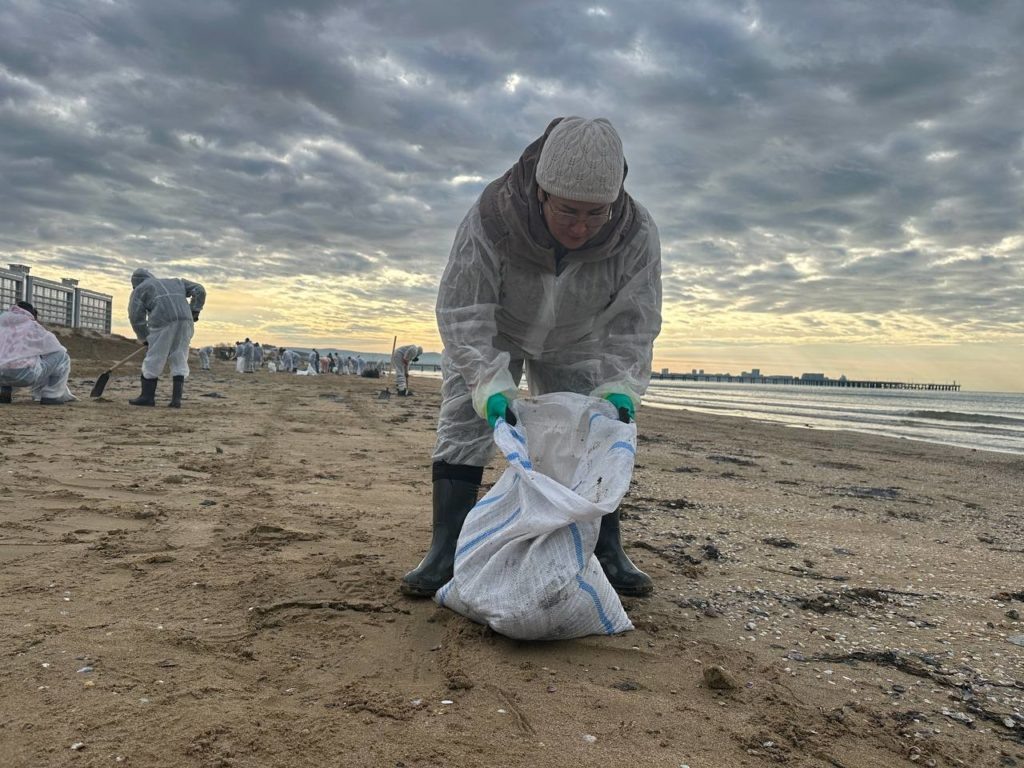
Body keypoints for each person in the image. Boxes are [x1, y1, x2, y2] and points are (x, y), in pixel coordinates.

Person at [401, 117, 662, 598]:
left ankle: (606, 548)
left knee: (591, 433)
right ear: (541, 193)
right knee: (463, 424)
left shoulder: (636, 232)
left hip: (579, 335)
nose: (581, 227)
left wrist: (622, 385)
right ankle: (445, 549)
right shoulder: (492, 216)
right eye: (567, 212)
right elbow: (462, 306)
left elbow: (636, 318)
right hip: (496, 329)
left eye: (595, 213)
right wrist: (486, 382)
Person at [127, 267, 206, 407]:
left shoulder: (139, 289)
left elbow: (136, 317)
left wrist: (144, 338)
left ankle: (147, 397)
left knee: (154, 358)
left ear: (135, 283)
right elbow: (199, 289)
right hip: (186, 321)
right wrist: (194, 310)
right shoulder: (176, 282)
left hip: (162, 322)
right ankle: (176, 400)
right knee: (179, 356)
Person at [0, 301, 77, 405]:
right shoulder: (32, 326)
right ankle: (51, 396)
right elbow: (57, 348)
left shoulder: (2, 324)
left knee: (5, 361)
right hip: (25, 376)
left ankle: (3, 394)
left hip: (1, 376)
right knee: (63, 356)